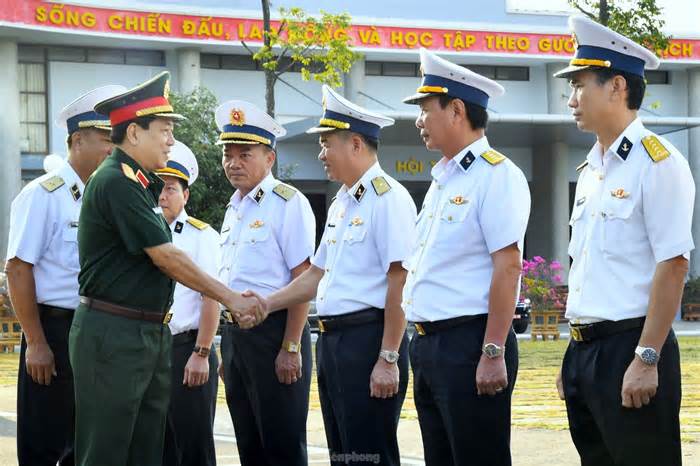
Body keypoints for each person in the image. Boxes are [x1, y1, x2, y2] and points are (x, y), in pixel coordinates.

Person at [69, 71, 264, 466]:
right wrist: (229, 298)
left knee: (146, 450)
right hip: (114, 335)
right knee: (106, 451)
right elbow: (166, 256)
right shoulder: (116, 182)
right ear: (135, 134)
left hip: (144, 332)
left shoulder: (140, 184)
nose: (171, 140)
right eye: (165, 129)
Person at [248, 85, 416, 466]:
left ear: (356, 144)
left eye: (327, 145)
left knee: (369, 454)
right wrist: (267, 303)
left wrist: (388, 357)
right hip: (334, 343)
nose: (321, 155)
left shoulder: (388, 198)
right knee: (344, 454)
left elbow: (399, 281)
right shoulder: (342, 202)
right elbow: (315, 276)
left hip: (368, 341)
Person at [554, 16, 693, 466]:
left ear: (616, 86)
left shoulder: (658, 162)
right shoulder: (592, 171)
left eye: (579, 85)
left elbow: (673, 264)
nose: (571, 99)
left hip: (630, 348)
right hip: (585, 352)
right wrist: (571, 355)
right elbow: (588, 270)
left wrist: (647, 357)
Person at [401, 48, 531, 466]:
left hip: (470, 343)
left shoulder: (497, 175)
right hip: (428, 345)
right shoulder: (442, 181)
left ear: (456, 109)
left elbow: (507, 266)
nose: (418, 120)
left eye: (425, 109)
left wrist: (492, 350)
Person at [5, 84, 125, 466]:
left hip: (99, 334)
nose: (113, 148)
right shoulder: (43, 194)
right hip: (55, 332)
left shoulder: (107, 196)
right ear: (76, 140)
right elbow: (19, 268)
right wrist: (36, 342)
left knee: (88, 443)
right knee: (45, 440)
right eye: (106, 139)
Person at [215, 100, 316, 466]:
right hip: (237, 338)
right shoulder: (234, 208)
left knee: (282, 445)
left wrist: (291, 345)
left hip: (275, 333)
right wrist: (229, 350)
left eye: (245, 154)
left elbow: (302, 278)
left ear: (270, 158)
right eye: (228, 154)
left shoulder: (287, 203)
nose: (234, 163)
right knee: (250, 444)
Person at [156, 140, 221, 466]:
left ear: (186, 195)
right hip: (151, 348)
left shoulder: (201, 236)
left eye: (170, 188)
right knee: (158, 444)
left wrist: (202, 353)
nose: (162, 196)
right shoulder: (145, 233)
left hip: (187, 347)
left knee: (192, 444)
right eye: (157, 188)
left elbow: (211, 295)